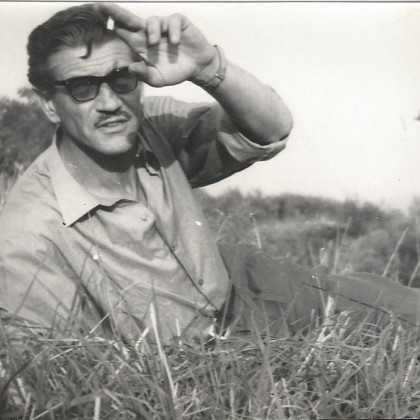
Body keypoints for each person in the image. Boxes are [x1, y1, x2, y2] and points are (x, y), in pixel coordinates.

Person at [0, 3, 419, 345]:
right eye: (83, 88)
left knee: (401, 308)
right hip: (196, 348)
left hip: (239, 283)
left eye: (122, 78)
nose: (110, 103)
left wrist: (207, 68)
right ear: (49, 103)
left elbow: (271, 130)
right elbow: (56, 367)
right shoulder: (29, 233)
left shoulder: (151, 125)